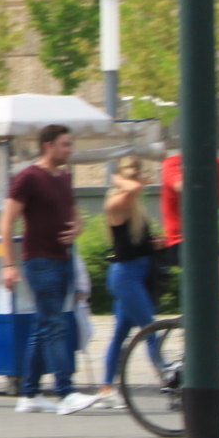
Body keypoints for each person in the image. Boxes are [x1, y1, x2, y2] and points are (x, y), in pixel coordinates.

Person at [0, 123, 95, 414]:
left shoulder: (64, 177)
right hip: (40, 261)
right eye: (65, 144)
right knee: (55, 324)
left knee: (44, 325)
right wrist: (9, 264)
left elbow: (76, 217)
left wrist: (76, 229)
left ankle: (28, 394)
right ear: (48, 146)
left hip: (63, 259)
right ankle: (65, 392)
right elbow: (7, 221)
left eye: (70, 144)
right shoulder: (28, 177)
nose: (70, 150)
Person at [160, 147, 219, 323]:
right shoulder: (172, 164)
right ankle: (214, 337)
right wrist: (208, 174)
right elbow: (183, 186)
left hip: (209, 243)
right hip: (182, 242)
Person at [98, 154, 160, 398]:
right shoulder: (115, 204)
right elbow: (133, 188)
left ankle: (106, 388)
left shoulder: (136, 207)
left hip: (137, 273)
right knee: (150, 328)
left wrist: (152, 244)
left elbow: (137, 244)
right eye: (134, 176)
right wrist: (122, 181)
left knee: (121, 333)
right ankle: (169, 377)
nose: (139, 183)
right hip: (126, 276)